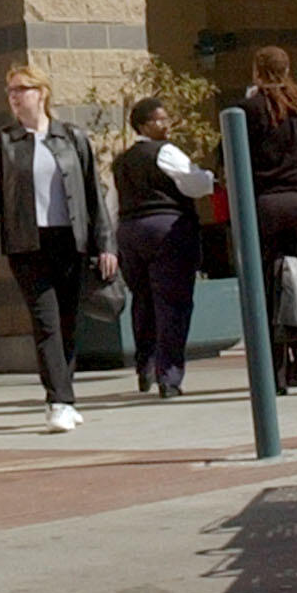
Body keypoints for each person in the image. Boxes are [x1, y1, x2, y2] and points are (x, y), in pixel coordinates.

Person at [0, 64, 115, 431]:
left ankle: (65, 396)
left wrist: (106, 244)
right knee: (46, 322)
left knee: (68, 322)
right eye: (10, 90)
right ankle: (59, 400)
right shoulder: (2, 143)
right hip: (26, 244)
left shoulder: (71, 137)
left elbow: (93, 196)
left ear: (41, 93)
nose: (14, 96)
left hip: (70, 242)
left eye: (21, 89)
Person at [241, 45, 297, 394]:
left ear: (257, 71)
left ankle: (276, 376)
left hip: (266, 203)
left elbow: (231, 157)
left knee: (269, 287)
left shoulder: (248, 109)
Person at [113, 97, 214, 398]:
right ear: (143, 124)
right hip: (167, 230)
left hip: (129, 232)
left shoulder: (121, 161)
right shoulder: (165, 152)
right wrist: (209, 178)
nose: (166, 123)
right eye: (159, 119)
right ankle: (168, 376)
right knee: (173, 303)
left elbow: (112, 203)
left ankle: (145, 366)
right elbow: (193, 183)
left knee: (142, 302)